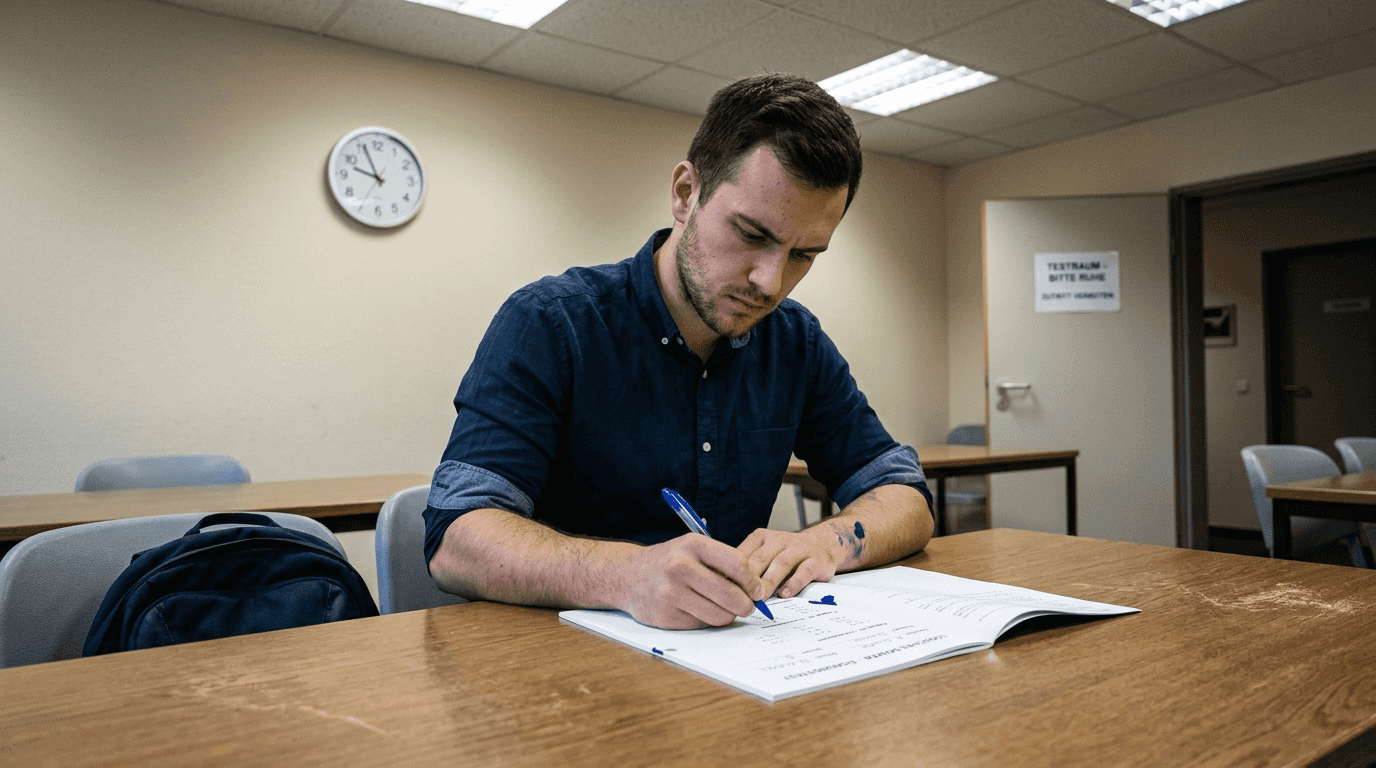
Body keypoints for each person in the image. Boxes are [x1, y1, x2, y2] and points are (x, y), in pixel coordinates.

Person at [423, 73, 934, 630]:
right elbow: (457, 536)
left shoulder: (796, 342)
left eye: (804, 255)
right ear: (686, 194)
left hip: (738, 664)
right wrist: (625, 575)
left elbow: (903, 496)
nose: (770, 282)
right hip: (560, 673)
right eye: (752, 234)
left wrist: (830, 541)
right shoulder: (551, 322)